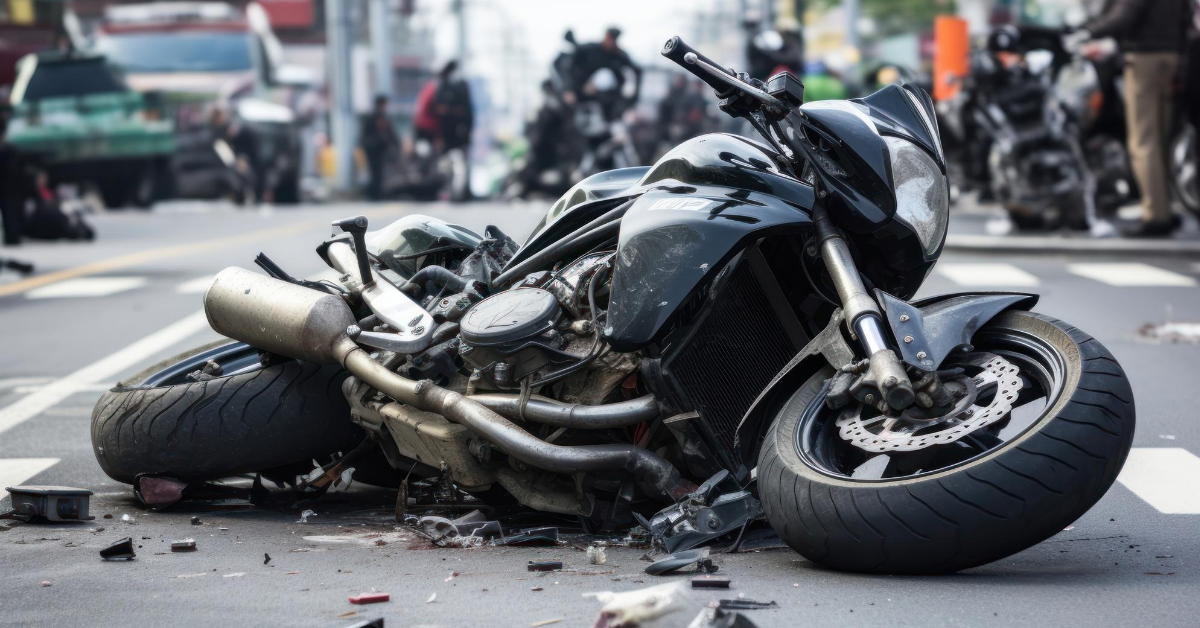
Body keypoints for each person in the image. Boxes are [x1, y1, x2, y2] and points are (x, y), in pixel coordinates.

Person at [1067, 0, 1196, 237]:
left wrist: (1088, 32)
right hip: (1173, 58)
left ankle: (1156, 215)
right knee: (1162, 139)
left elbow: (1125, 14)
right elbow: (1188, 18)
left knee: (1144, 141)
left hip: (1144, 59)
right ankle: (1165, 209)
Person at [554, 27, 642, 118]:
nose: (610, 42)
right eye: (609, 37)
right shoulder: (589, 49)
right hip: (576, 88)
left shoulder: (618, 56)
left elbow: (635, 71)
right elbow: (569, 68)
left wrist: (632, 99)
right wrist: (568, 90)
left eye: (613, 39)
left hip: (603, 98)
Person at [360, 95, 399, 201]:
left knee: (377, 171)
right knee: (375, 171)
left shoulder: (376, 116)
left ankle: (376, 193)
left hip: (376, 148)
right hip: (374, 148)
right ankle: (374, 193)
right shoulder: (377, 117)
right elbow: (387, 133)